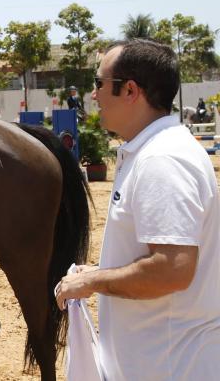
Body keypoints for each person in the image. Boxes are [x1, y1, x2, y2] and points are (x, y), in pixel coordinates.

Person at [54, 39, 220, 380]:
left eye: (99, 83)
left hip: (169, 367)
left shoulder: (162, 160)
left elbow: (172, 269)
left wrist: (93, 281)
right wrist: (99, 272)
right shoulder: (153, 151)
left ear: (130, 90)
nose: (93, 95)